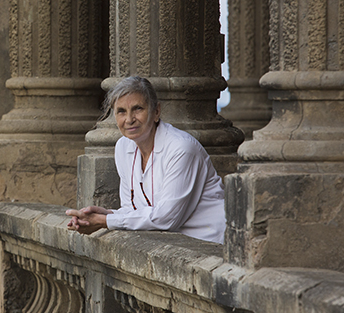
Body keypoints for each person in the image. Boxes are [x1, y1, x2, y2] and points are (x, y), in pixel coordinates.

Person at [66, 76, 226, 243]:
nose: (129, 119)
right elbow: (132, 210)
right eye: (121, 111)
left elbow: (166, 218)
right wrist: (106, 215)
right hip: (172, 242)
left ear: (156, 112)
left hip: (212, 243)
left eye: (138, 109)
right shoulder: (123, 147)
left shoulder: (181, 148)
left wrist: (104, 221)